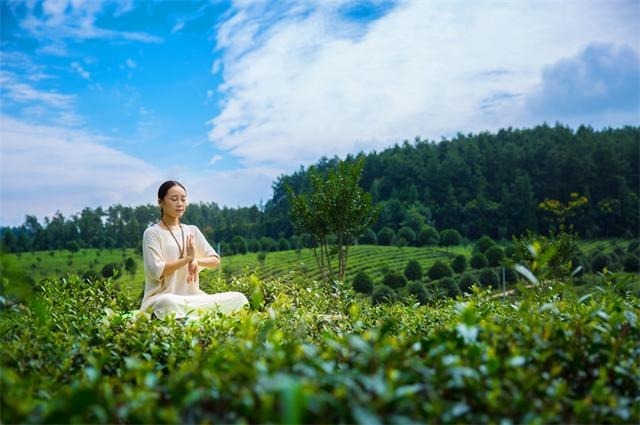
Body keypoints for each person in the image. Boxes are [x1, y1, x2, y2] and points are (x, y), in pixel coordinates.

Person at [140, 180, 248, 320]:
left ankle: (190, 315)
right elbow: (155, 271)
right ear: (160, 202)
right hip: (162, 299)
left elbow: (215, 260)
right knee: (167, 303)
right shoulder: (152, 233)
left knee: (239, 298)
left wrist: (197, 261)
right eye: (174, 199)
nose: (180, 203)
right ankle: (190, 315)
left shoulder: (192, 230)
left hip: (193, 299)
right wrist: (187, 259)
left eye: (183, 199)